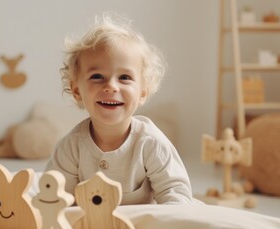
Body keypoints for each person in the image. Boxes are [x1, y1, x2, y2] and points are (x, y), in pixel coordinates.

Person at [45, 13, 194, 205]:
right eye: (97, 76)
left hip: (141, 227)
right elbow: (54, 199)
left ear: (143, 92)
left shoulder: (150, 143)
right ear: (76, 91)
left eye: (124, 77)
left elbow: (176, 194)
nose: (111, 86)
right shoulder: (71, 147)